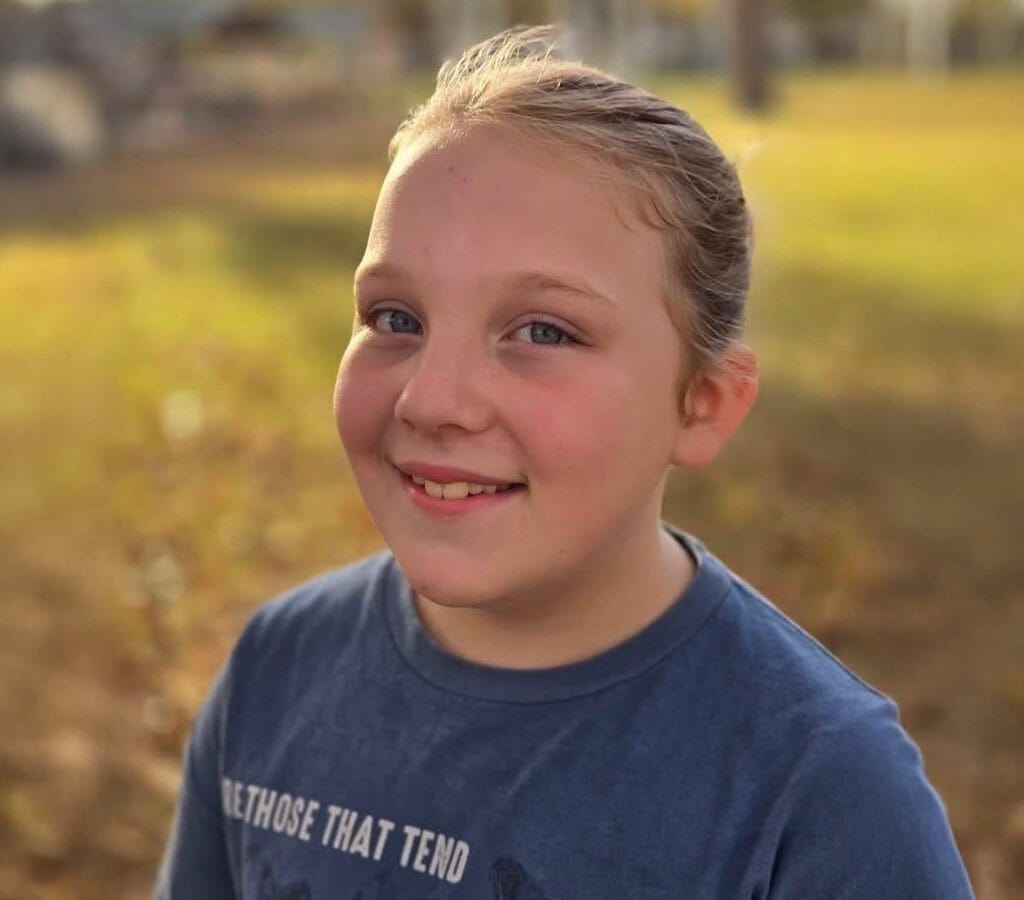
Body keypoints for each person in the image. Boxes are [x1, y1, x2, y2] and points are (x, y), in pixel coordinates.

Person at [155, 26, 974, 900]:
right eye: (396, 318)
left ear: (702, 404)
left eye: (543, 331)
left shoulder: (818, 792)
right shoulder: (275, 671)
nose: (432, 400)